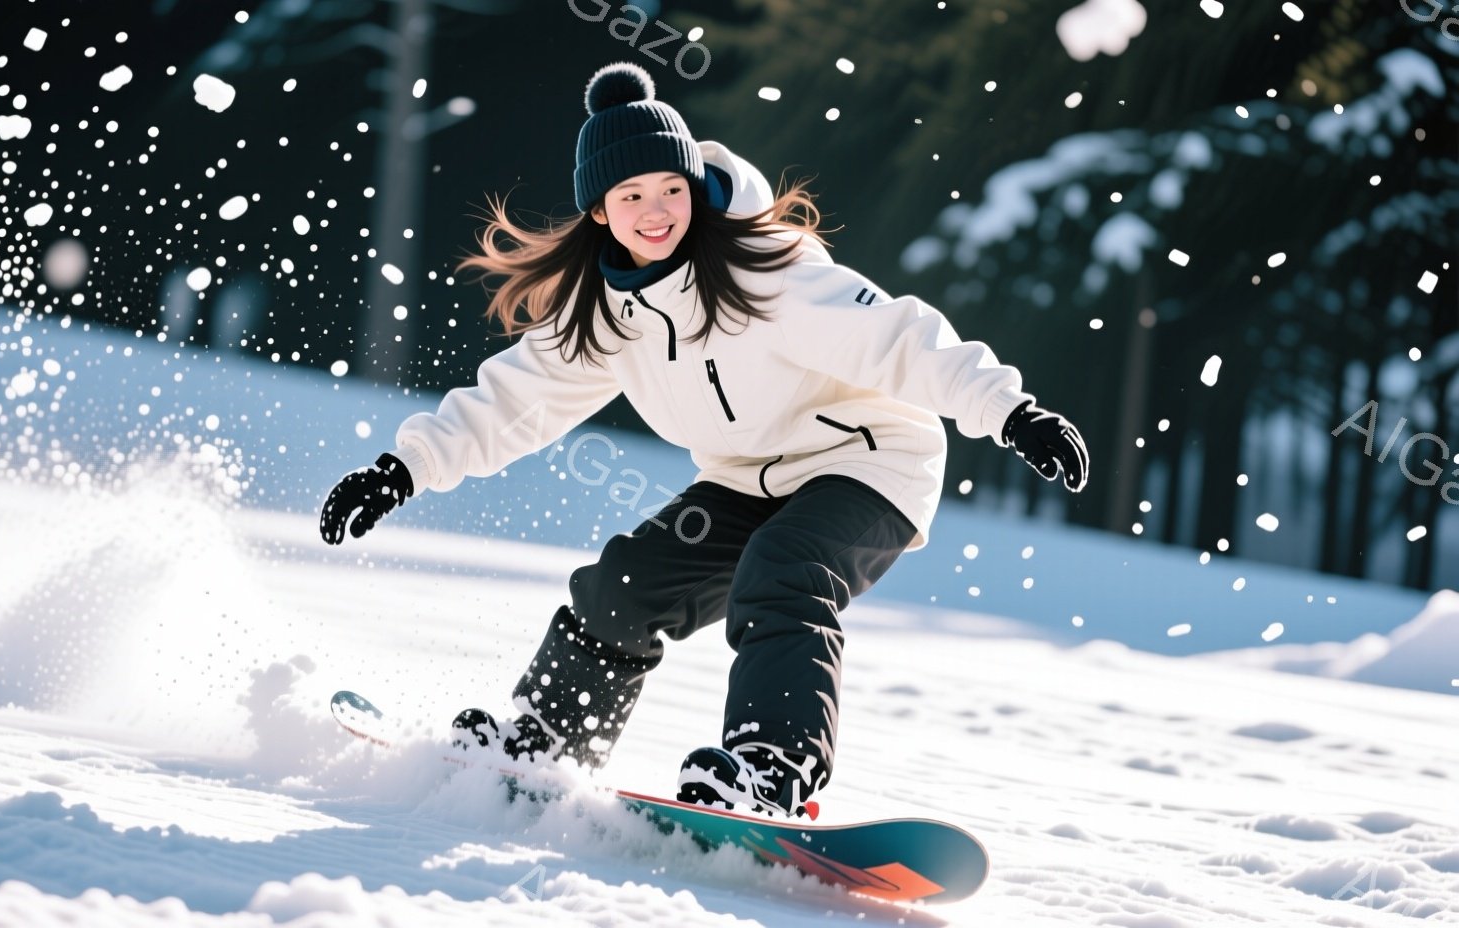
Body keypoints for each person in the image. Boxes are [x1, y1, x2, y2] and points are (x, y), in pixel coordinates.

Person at [320, 62, 1088, 818]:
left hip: (868, 462)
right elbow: (513, 400)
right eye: (631, 196)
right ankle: (547, 741)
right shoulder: (605, 311)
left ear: (694, 188)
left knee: (786, 568)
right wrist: (400, 470)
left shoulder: (766, 269)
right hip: (745, 479)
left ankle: (771, 768)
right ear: (599, 212)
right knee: (623, 586)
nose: (655, 212)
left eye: (671, 190)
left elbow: (900, 339)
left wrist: (1011, 412)